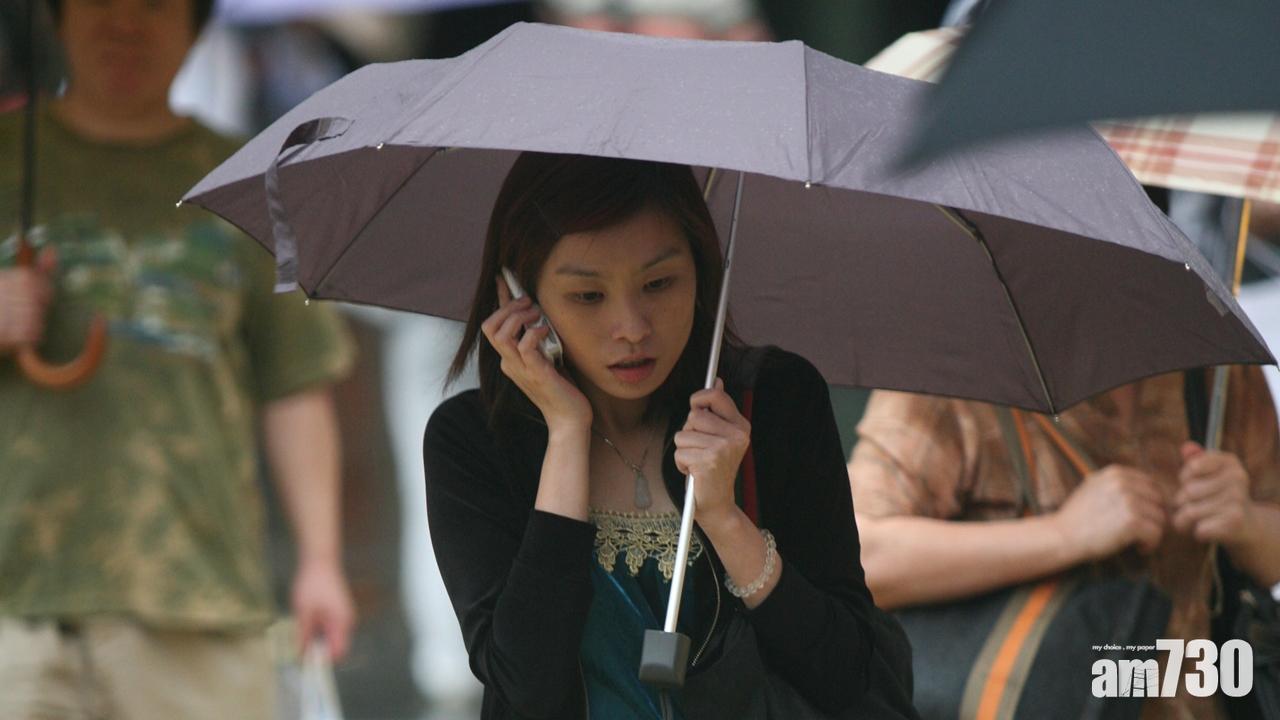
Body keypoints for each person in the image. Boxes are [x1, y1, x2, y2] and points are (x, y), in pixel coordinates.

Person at [423, 152, 897, 719]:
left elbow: (849, 674)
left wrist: (726, 522)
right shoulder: (472, 441)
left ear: (702, 274)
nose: (632, 328)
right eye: (588, 296)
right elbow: (526, 691)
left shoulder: (773, 402)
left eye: (659, 283)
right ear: (516, 296)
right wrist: (567, 434)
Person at [0, 1, 355, 718]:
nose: (125, 24)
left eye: (156, 4)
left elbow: (295, 386)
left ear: (196, 26)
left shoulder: (251, 184)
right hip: (14, 608)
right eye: (101, 0)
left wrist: (321, 560)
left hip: (199, 605)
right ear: (56, 17)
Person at [848, 368, 1280, 719]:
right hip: (1027, 701)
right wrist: (1065, 534)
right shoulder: (950, 373)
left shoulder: (1218, 371)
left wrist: (1246, 521)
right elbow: (862, 554)